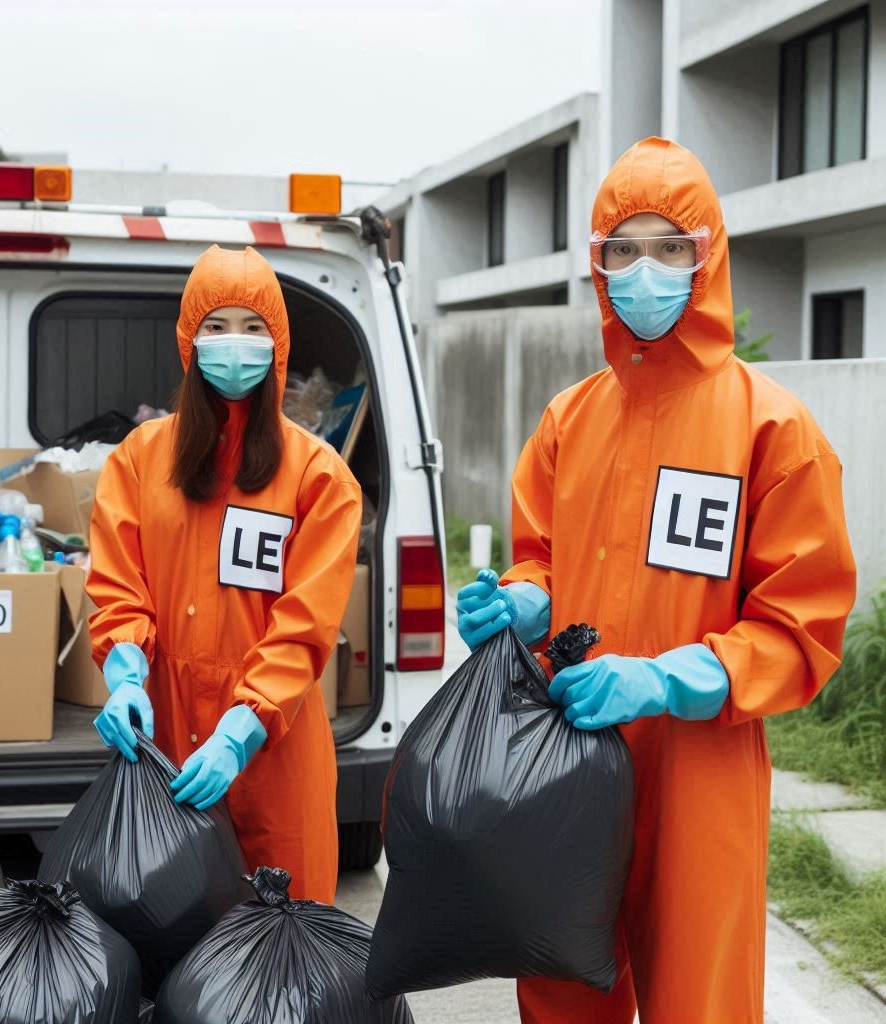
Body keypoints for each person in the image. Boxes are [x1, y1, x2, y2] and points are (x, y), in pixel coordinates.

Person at [456, 137, 856, 1023]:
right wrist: (524, 600)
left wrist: (667, 677)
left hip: (699, 773)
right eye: (623, 249)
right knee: (562, 990)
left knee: (698, 1003)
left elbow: (801, 626)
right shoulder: (570, 420)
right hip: (565, 759)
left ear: (706, 258)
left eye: (670, 247)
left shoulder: (771, 430)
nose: (645, 270)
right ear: (597, 267)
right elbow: (545, 556)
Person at [88, 244, 362, 904]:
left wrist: (243, 730)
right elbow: (118, 588)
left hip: (276, 753)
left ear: (278, 344)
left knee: (286, 958)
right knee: (177, 949)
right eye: (216, 326)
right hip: (165, 750)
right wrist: (126, 675)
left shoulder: (319, 477)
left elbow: (304, 627)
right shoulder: (139, 461)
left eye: (252, 328)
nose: (233, 345)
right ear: (189, 340)